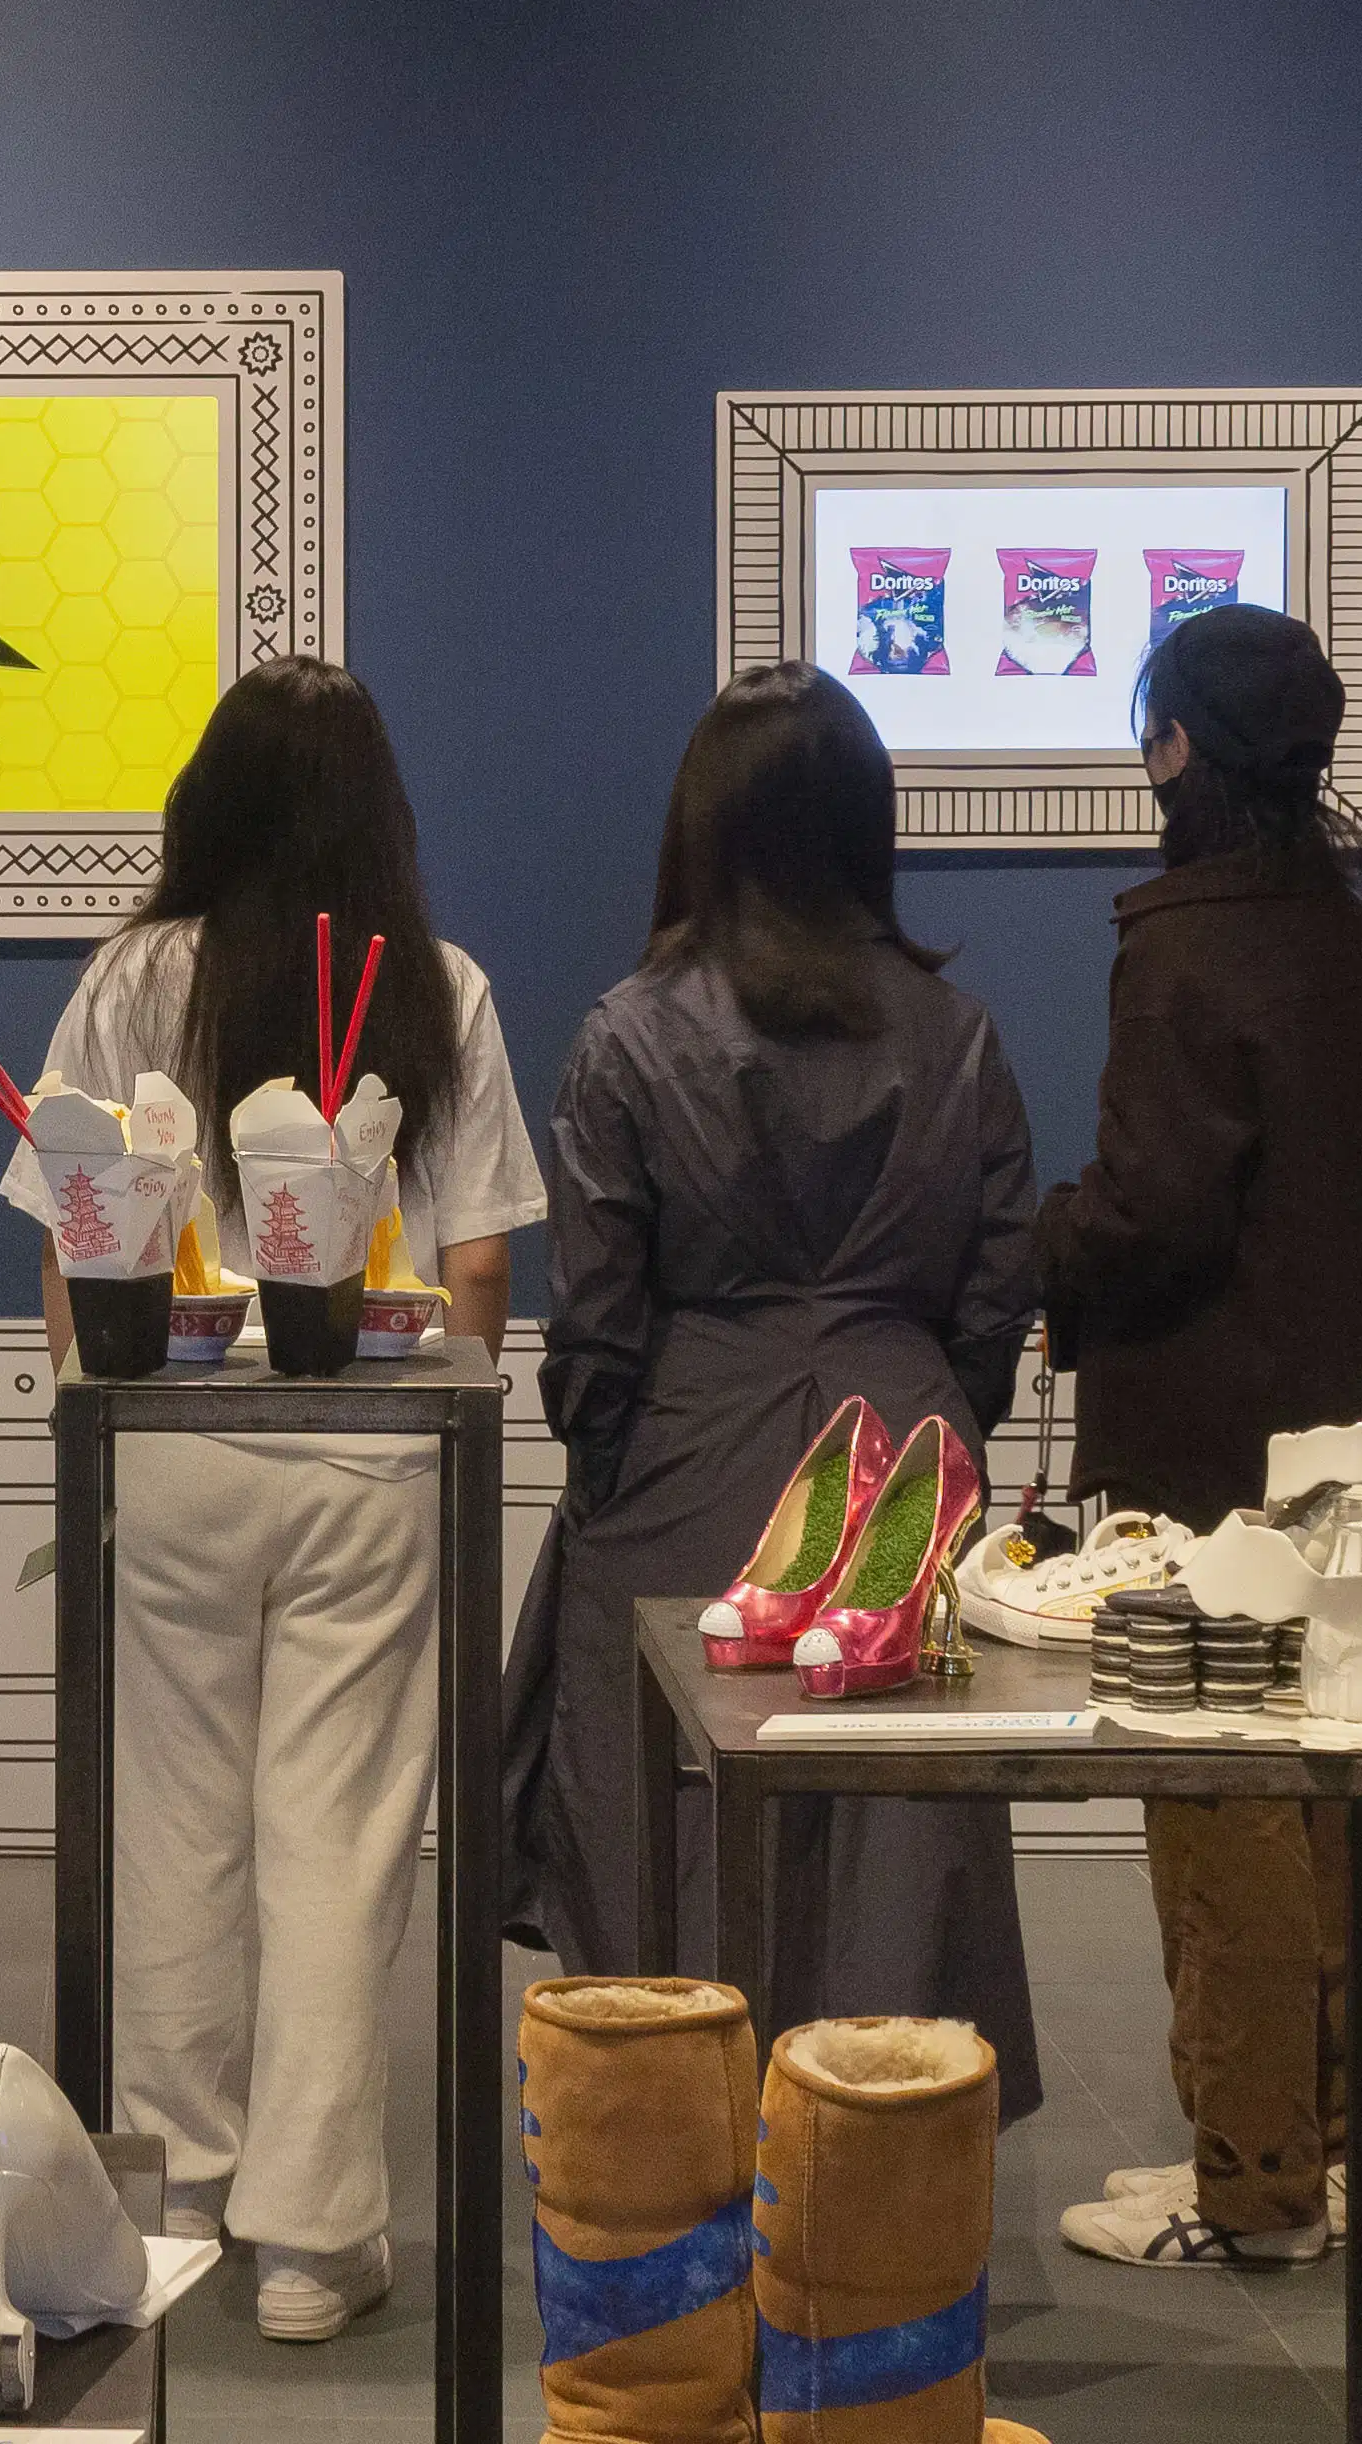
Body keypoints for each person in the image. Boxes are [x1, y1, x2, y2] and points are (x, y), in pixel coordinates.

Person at [4, 654, 541, 2343]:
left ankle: (165, 2191)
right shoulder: (434, 988)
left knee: (166, 1823)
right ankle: (312, 2240)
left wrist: (87, 1417)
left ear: (202, 801)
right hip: (379, 1461)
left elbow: (67, 1244)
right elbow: (474, 1275)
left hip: (155, 1445)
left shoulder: (126, 978)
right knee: (338, 1836)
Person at [498, 664, 1043, 2112]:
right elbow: (998, 1285)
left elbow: (599, 1309)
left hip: (689, 1444)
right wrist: (940, 1420)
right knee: (895, 1835)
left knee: (667, 1821)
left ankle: (674, 2136)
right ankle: (882, 2138)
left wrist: (609, 1454)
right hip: (907, 1447)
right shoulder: (961, 1035)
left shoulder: (629, 1033)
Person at [1028, 606, 1362, 2270]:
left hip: (1195, 1455)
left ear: (1176, 748)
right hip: (1343, 1448)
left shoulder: (1180, 946)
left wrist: (1038, 1246)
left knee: (1215, 1813)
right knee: (1319, 1798)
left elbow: (1151, 1207)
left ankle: (1252, 2181)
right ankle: (1318, 2154)